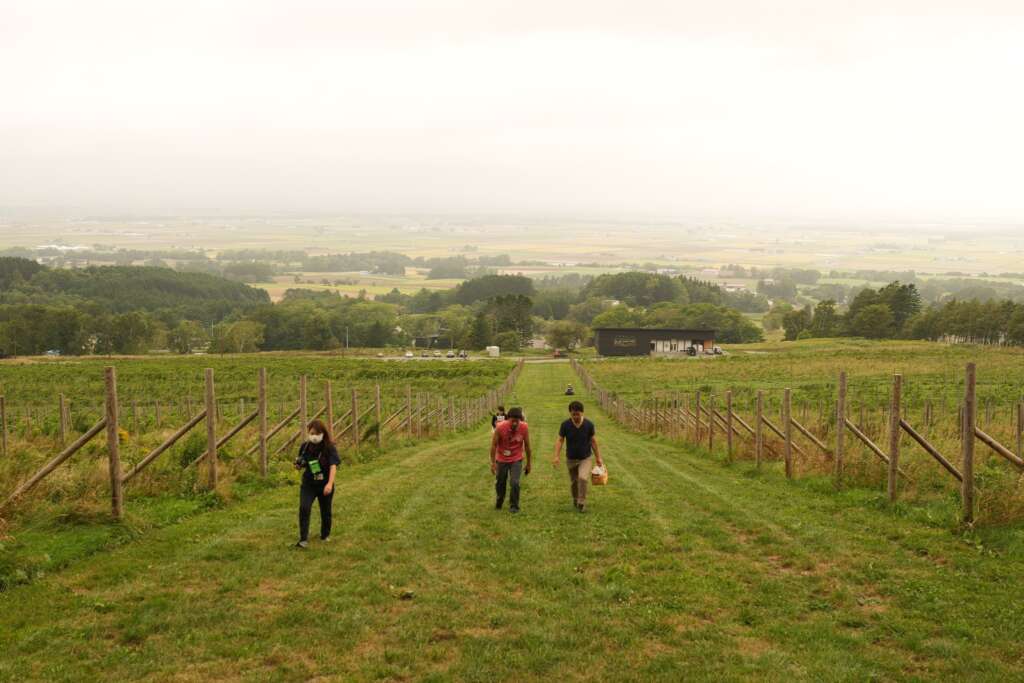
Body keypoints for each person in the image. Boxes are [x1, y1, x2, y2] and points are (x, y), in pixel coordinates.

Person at [294, 419, 340, 548]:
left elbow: (333, 466)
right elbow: (302, 463)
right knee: (304, 508)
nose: (314, 436)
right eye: (312, 433)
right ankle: (303, 539)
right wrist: (298, 465)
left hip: (324, 483)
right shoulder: (305, 447)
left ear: (323, 433)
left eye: (317, 433)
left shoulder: (329, 447)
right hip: (308, 483)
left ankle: (325, 535)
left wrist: (329, 484)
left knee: (326, 511)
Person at [552, 400, 603, 513]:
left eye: (577, 414)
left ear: (582, 412)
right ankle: (575, 499)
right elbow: (560, 440)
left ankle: (582, 502)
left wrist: (598, 457)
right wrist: (556, 456)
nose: (575, 416)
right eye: (573, 414)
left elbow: (593, 441)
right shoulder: (565, 425)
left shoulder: (589, 425)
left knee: (583, 478)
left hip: (585, 458)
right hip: (571, 458)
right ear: (570, 413)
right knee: (574, 482)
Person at [490, 406, 532, 513]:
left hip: (516, 458)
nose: (515, 423)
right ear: (508, 418)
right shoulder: (500, 427)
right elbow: (494, 445)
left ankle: (514, 505)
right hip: (502, 459)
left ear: (520, 420)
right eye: (513, 421)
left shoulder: (524, 427)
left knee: (515, 482)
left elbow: (527, 446)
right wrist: (493, 463)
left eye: (517, 421)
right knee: (500, 482)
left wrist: (529, 464)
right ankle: (500, 499)